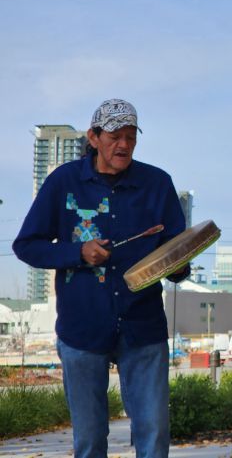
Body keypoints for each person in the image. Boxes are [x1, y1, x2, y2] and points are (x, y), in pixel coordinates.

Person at [13, 99, 188, 458]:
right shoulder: (64, 182)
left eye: (130, 137)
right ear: (93, 137)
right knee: (90, 441)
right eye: (114, 137)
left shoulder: (158, 184)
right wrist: (78, 252)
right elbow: (27, 245)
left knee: (154, 436)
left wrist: (179, 266)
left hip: (143, 326)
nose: (123, 145)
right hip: (82, 329)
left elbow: (177, 251)